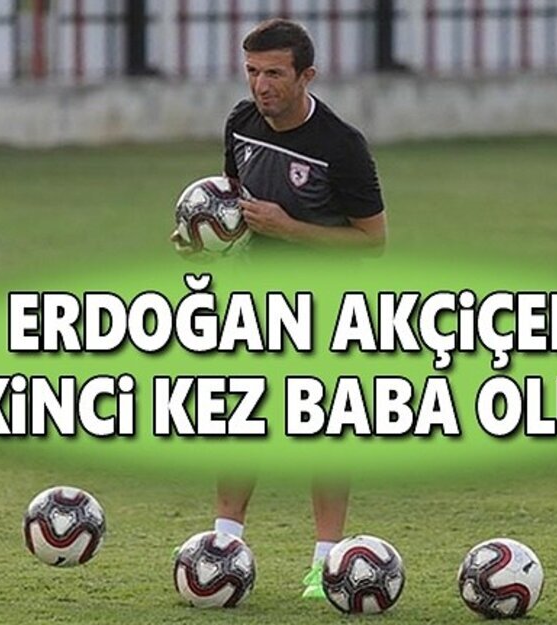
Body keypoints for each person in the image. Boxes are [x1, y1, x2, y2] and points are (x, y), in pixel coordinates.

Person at [176, 17, 387, 599]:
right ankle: (223, 545)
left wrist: (289, 228)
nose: (260, 85)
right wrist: (203, 238)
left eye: (273, 73)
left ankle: (327, 564)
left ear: (306, 76)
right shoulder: (241, 124)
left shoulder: (341, 147)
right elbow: (231, 202)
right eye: (251, 71)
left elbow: (372, 240)